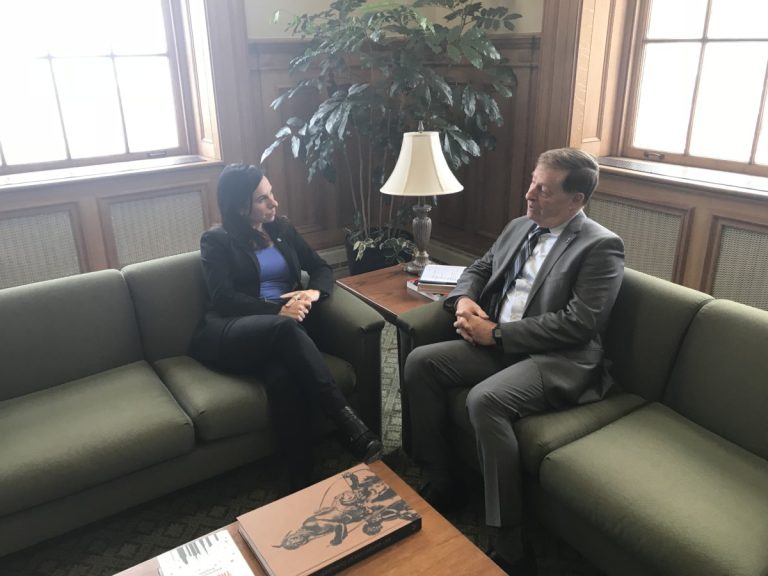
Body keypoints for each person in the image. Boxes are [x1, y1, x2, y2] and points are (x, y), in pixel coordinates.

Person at [403, 148, 624, 573]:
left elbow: (581, 323)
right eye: (532, 182)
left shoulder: (600, 246)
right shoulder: (521, 225)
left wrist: (498, 334)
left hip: (557, 359)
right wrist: (465, 301)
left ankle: (511, 543)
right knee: (420, 363)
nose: (529, 194)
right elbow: (480, 268)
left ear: (577, 200)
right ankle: (445, 481)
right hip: (500, 345)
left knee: (484, 400)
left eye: (543, 189)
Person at [190, 164, 382, 489]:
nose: (274, 203)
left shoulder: (281, 229)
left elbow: (321, 267)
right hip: (231, 331)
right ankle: (349, 424)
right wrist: (278, 309)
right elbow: (223, 298)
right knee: (286, 329)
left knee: (282, 377)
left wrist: (312, 291)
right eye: (263, 199)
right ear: (240, 206)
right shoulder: (216, 240)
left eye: (272, 194)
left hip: (282, 335)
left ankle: (299, 478)